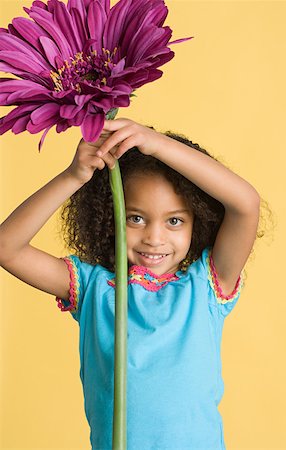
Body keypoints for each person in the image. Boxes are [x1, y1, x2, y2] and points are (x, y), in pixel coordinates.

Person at [0, 117, 261, 450]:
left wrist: (157, 144)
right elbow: (7, 247)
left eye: (174, 221)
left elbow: (245, 204)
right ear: (110, 217)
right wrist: (74, 176)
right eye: (136, 218)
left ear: (198, 222)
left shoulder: (206, 286)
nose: (154, 237)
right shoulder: (93, 288)